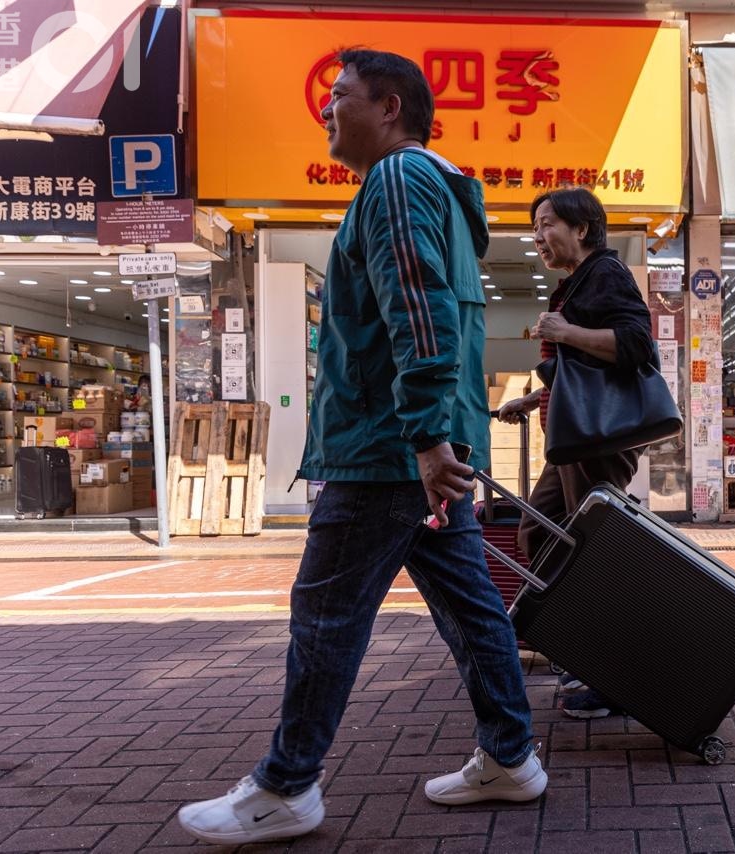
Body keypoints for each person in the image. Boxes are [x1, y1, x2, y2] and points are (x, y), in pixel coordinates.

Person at [177, 49, 545, 846]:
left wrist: (420, 434)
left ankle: (286, 784)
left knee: (326, 611)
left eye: (339, 95)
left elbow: (419, 311)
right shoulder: (437, 189)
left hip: (387, 450)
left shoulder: (396, 181)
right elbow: (436, 310)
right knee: (470, 604)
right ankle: (511, 756)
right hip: (420, 448)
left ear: (388, 107)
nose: (326, 109)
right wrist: (436, 436)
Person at [497, 187, 654, 720]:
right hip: (571, 438)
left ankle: (611, 672)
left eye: (546, 224)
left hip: (596, 442)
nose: (538, 237)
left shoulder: (605, 274)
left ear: (581, 228)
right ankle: (579, 644)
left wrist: (568, 332)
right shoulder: (575, 284)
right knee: (541, 532)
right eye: (535, 227)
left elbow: (637, 345)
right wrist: (535, 395)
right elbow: (580, 372)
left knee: (592, 553)